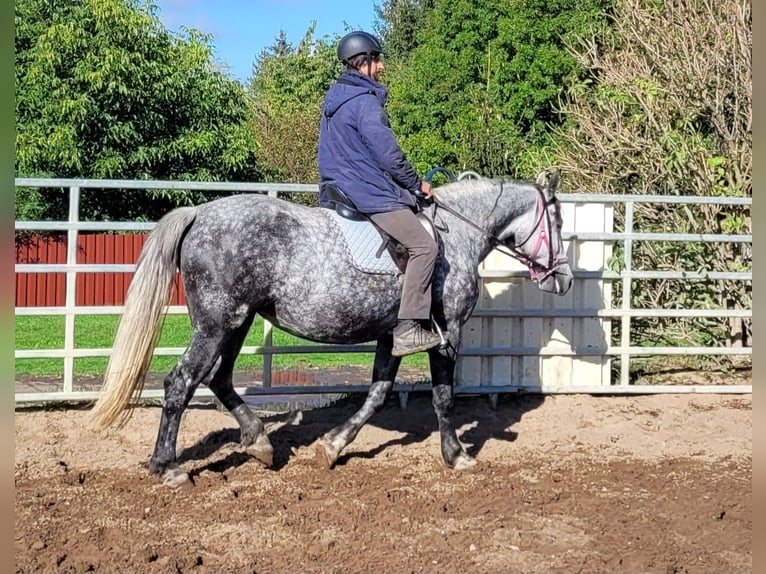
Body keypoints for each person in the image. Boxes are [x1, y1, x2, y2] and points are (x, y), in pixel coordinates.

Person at [318, 30, 441, 357]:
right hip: (366, 190)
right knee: (424, 246)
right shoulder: (365, 102)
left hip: (337, 187)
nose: (382, 66)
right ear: (365, 63)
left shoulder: (335, 100)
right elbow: (388, 155)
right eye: (378, 59)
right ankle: (409, 328)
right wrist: (417, 185)